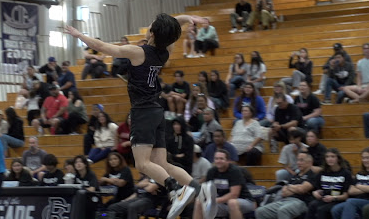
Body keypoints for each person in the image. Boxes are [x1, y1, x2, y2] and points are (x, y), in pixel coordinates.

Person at [66, 14, 208, 219]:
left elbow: (103, 47)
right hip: (158, 110)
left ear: (152, 32)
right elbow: (171, 26)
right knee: (162, 164)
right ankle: (199, 190)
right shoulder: (166, 51)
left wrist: (79, 35)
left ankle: (177, 190)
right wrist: (188, 18)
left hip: (143, 111)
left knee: (142, 164)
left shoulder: (138, 52)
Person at [192, 149, 256, 219]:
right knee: (199, 202)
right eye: (216, 159)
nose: (218, 161)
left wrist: (214, 201)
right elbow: (207, 190)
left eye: (221, 159)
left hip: (244, 201)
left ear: (228, 160)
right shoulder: (212, 171)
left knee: (232, 203)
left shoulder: (234, 171)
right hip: (222, 203)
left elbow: (234, 194)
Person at [255, 152, 316, 219]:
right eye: (298, 160)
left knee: (283, 210)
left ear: (310, 162)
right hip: (285, 200)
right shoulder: (295, 175)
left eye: (301, 160)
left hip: (301, 202)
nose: (298, 163)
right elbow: (284, 192)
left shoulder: (312, 175)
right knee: (260, 211)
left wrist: (290, 187)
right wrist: (296, 188)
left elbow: (302, 189)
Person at [331, 147, 369, 219]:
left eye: (368, 158)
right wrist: (366, 188)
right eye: (363, 158)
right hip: (356, 200)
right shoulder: (359, 173)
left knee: (351, 201)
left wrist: (358, 186)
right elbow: (350, 191)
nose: (365, 160)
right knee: (336, 209)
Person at [306, 148, 352, 219]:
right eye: (327, 157)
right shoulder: (322, 173)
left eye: (332, 156)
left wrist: (333, 198)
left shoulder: (346, 173)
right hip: (324, 198)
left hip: (337, 199)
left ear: (338, 159)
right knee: (312, 205)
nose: (329, 159)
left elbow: (345, 195)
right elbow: (316, 189)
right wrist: (315, 193)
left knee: (322, 210)